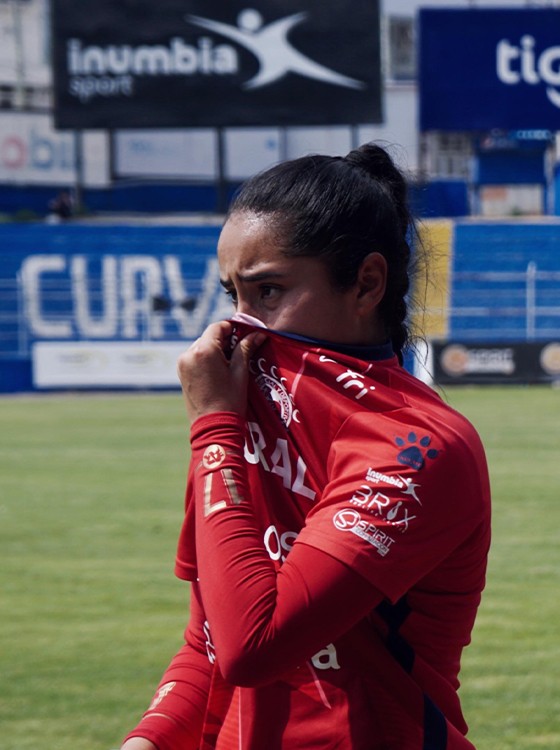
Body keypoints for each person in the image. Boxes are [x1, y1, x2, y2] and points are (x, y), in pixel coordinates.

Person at [120, 144, 491, 749]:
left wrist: (214, 433)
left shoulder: (417, 447)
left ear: (366, 284)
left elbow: (252, 646)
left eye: (268, 292)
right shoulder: (244, 421)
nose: (239, 326)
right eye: (233, 297)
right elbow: (206, 643)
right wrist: (150, 739)